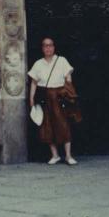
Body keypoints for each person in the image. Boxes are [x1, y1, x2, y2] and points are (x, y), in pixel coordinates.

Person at [27, 37, 77, 165]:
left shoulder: (61, 60)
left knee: (64, 124)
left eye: (50, 45)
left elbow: (68, 76)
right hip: (45, 96)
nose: (48, 48)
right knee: (47, 126)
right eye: (45, 46)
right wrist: (31, 98)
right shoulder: (38, 63)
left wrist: (68, 82)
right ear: (42, 48)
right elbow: (34, 82)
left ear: (54, 47)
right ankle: (55, 155)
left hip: (60, 95)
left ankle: (68, 155)